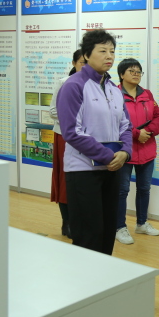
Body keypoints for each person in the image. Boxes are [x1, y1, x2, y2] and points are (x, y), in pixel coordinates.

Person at [57, 30, 132, 255]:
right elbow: (72, 132)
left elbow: (126, 125)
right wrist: (109, 156)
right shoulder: (74, 85)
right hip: (83, 171)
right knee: (88, 235)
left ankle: (104, 276)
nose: (109, 56)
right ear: (87, 55)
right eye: (103, 51)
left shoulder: (113, 88)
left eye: (112, 51)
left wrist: (125, 152)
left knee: (108, 232)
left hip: (112, 169)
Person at [115, 58, 159, 245]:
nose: (136, 74)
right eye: (131, 71)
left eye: (138, 71)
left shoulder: (147, 94)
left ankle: (142, 223)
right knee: (122, 190)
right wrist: (136, 133)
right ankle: (120, 227)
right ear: (121, 74)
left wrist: (148, 132)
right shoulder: (114, 94)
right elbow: (114, 121)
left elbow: (158, 116)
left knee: (144, 188)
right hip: (124, 150)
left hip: (146, 149)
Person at [49, 49, 85, 238]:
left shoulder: (96, 84)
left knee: (83, 178)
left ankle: (80, 221)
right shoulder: (64, 82)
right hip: (66, 137)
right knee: (65, 179)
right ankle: (67, 222)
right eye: (81, 63)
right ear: (73, 63)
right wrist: (78, 120)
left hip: (88, 138)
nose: (85, 67)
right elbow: (53, 111)